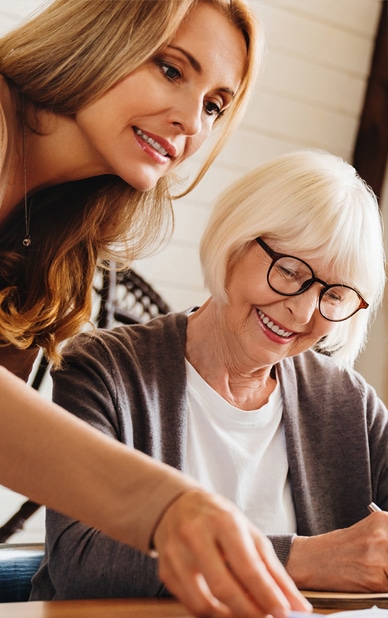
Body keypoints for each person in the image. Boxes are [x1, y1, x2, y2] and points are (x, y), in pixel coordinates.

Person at [0, 1, 311, 616]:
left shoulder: (61, 239)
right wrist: (167, 504)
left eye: (215, 105)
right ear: (100, 34)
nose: (190, 122)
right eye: (171, 70)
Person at [30, 148, 387, 602]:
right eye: (290, 271)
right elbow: (81, 560)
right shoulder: (106, 370)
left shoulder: (348, 402)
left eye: (334, 295)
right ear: (236, 242)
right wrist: (307, 558)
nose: (303, 310)